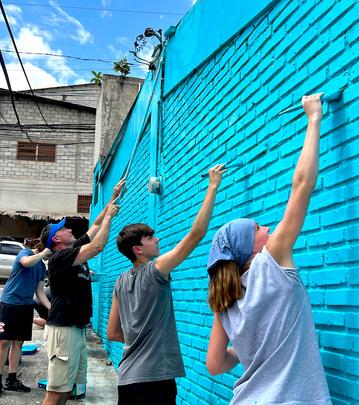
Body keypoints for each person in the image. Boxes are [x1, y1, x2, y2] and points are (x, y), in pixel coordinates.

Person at [205, 94, 330, 404]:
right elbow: (302, 185)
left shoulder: (225, 300)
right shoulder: (271, 262)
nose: (268, 229)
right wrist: (314, 117)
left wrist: (249, 350)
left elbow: (215, 365)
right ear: (249, 247)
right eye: (259, 228)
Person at [107, 165, 225, 405]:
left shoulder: (120, 281)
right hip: (155, 380)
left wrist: (139, 340)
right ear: (138, 249)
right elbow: (196, 234)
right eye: (150, 238)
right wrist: (213, 186)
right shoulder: (155, 269)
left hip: (127, 379)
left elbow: (113, 333)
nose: (157, 239)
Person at [41, 179, 123, 405]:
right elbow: (97, 246)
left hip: (75, 328)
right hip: (63, 330)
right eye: (64, 229)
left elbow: (95, 226)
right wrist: (110, 217)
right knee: (56, 392)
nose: (69, 229)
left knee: (67, 390)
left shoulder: (72, 249)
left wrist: (113, 197)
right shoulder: (60, 258)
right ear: (57, 238)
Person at [0, 238, 52, 400]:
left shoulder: (41, 266)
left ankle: (12, 379)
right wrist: (44, 253)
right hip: (10, 303)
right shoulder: (25, 253)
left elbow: (39, 291)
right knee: (4, 342)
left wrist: (51, 308)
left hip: (26, 305)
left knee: (18, 343)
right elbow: (26, 263)